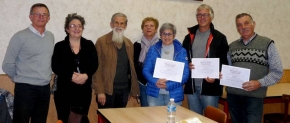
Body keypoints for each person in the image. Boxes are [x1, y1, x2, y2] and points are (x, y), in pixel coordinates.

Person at [226, 13, 283, 123]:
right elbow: (229, 69)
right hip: (233, 97)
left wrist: (260, 83)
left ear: (254, 24)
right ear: (237, 28)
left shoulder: (267, 44)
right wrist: (222, 74)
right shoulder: (232, 46)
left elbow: (278, 72)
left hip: (254, 97)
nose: (243, 27)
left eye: (246, 23)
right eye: (239, 25)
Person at [2, 3, 54, 123]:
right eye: (37, 14)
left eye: (44, 14)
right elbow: (7, 64)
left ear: (48, 18)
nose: (41, 17)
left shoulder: (50, 36)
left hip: (45, 88)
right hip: (25, 88)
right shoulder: (20, 37)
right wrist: (19, 78)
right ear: (30, 17)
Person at [182, 4, 229, 115]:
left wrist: (216, 76)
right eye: (199, 15)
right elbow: (183, 58)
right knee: (194, 119)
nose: (202, 17)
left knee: (210, 119)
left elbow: (224, 61)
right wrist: (187, 64)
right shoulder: (189, 37)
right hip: (192, 87)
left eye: (205, 15)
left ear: (211, 17)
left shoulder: (219, 38)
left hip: (210, 87)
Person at [51, 13, 98, 123]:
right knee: (64, 119)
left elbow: (94, 64)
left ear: (82, 28)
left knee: (81, 120)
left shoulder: (89, 44)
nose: (76, 28)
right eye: (72, 26)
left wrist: (86, 75)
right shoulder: (59, 46)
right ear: (67, 29)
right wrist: (70, 76)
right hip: (64, 91)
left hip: (84, 90)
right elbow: (55, 66)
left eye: (79, 26)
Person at [92, 13, 139, 109]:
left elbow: (130, 68)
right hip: (106, 90)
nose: (119, 26)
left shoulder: (129, 44)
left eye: (122, 23)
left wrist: (132, 90)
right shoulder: (101, 41)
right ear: (111, 24)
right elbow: (96, 68)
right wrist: (100, 91)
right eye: (116, 23)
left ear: (125, 26)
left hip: (124, 90)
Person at [142, 23, 189, 106]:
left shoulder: (181, 51)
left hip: (174, 94)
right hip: (154, 93)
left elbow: (185, 75)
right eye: (164, 34)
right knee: (154, 118)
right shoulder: (153, 49)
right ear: (160, 35)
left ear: (174, 35)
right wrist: (155, 81)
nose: (167, 37)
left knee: (173, 118)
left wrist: (168, 85)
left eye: (169, 34)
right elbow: (146, 70)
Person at [134, 17, 159, 107]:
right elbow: (134, 64)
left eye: (152, 26)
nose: (149, 28)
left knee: (157, 111)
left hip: (157, 83)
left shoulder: (161, 44)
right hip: (142, 82)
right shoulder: (137, 44)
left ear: (156, 29)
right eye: (146, 26)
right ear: (142, 29)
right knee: (145, 109)